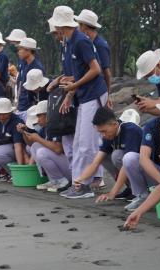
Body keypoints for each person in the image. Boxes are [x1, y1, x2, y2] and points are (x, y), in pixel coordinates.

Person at [49, 6, 108, 198]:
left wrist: (74, 85)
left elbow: (96, 70)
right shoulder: (72, 41)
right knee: (79, 143)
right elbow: (80, 73)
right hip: (85, 95)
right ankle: (79, 182)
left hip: (93, 94)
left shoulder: (80, 41)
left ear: (59, 23)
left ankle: (83, 184)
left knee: (86, 143)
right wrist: (71, 86)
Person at [64, 107, 141, 201]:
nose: (103, 135)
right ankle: (131, 188)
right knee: (104, 156)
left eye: (104, 131)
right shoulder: (109, 135)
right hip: (135, 167)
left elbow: (127, 164)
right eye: (100, 132)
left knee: (119, 156)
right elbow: (95, 163)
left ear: (114, 124)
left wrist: (113, 192)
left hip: (148, 169)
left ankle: (140, 191)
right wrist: (81, 179)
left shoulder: (130, 130)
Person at [19, 100, 71, 192]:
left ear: (48, 114)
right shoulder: (45, 128)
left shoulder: (57, 125)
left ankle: (61, 181)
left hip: (72, 168)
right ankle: (53, 180)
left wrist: (38, 138)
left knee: (42, 152)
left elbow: (58, 149)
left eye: (39, 115)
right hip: (64, 165)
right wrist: (23, 132)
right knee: (35, 146)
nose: (37, 119)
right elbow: (31, 144)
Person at [75, 9, 112, 107]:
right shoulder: (87, 42)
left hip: (97, 93)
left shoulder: (100, 45)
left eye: (79, 25)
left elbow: (106, 73)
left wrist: (108, 95)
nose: (77, 28)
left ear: (84, 27)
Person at [16, 38, 45, 121]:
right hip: (21, 106)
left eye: (20, 49)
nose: (18, 52)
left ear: (28, 50)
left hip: (30, 108)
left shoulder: (37, 67)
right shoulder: (24, 64)